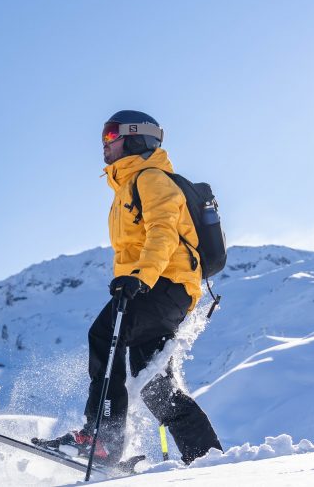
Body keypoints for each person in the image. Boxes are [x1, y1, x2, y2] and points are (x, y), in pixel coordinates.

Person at [33, 110, 222, 466]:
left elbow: (163, 232)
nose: (104, 144)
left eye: (110, 136)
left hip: (162, 284)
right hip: (163, 288)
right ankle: (206, 457)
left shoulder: (151, 178)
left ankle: (101, 440)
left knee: (104, 337)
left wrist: (140, 277)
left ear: (136, 138)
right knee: (152, 384)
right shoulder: (126, 188)